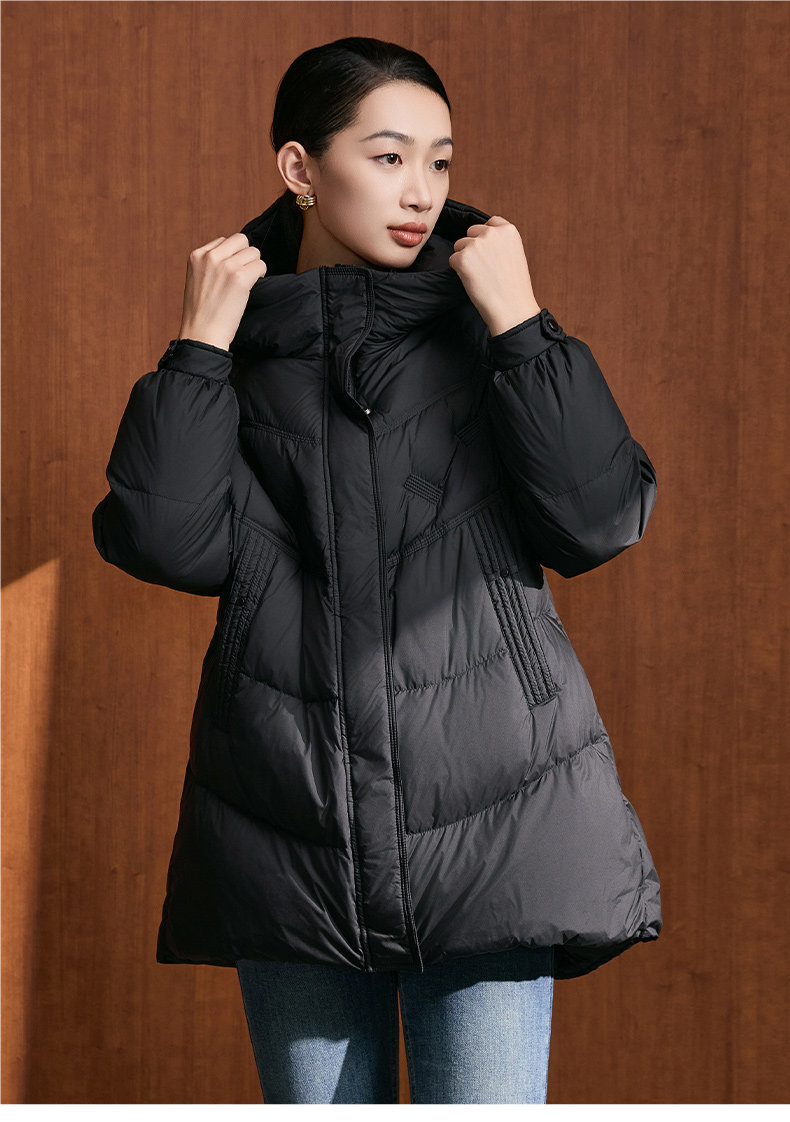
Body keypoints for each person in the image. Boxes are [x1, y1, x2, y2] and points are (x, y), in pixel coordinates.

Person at [92, 35, 662, 1105]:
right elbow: (165, 543)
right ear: (300, 168)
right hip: (287, 823)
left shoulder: (492, 331)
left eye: (439, 162)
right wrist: (198, 348)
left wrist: (524, 326)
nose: (420, 192)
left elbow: (599, 520)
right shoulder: (236, 353)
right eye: (389, 156)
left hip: (500, 823)